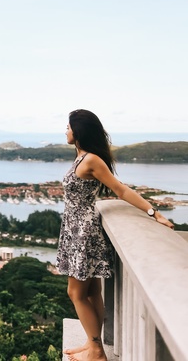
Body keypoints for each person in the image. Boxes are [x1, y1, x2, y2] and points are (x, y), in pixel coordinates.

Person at [56, 109, 174, 361]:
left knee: (75, 294)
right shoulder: (80, 157)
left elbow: (120, 190)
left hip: (83, 232)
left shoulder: (91, 160)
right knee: (91, 292)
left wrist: (154, 212)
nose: (65, 130)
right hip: (75, 229)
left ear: (78, 131)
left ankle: (97, 350)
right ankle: (91, 343)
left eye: (68, 126)